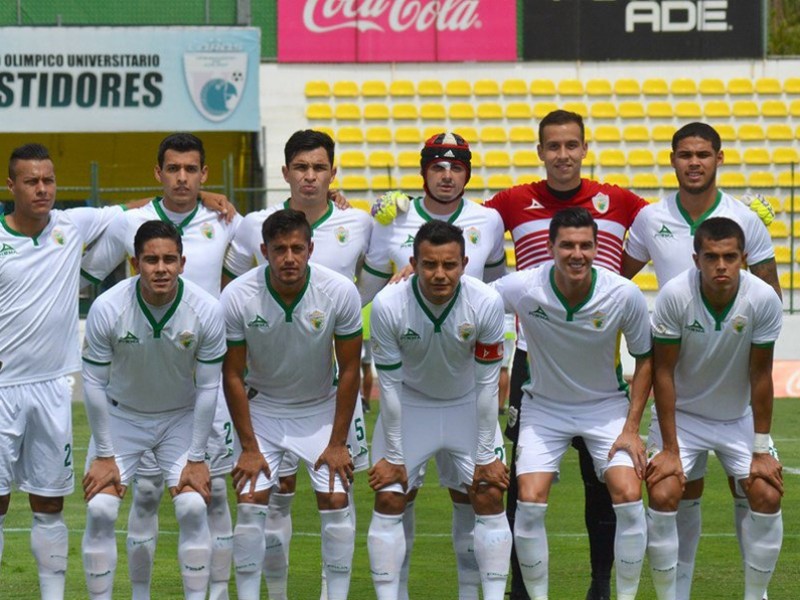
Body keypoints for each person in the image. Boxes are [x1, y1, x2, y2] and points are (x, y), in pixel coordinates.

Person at [484, 110, 649, 600]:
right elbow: (461, 228)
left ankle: (602, 583)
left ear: (583, 148)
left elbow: (670, 228)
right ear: (540, 151)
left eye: (571, 145)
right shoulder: (513, 202)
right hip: (531, 356)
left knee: (605, 488)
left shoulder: (617, 201)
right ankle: (522, 587)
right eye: (552, 146)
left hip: (598, 361)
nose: (562, 154)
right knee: (524, 490)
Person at [621, 122, 781, 600]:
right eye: (685, 154)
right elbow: (616, 281)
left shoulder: (745, 218)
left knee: (758, 489)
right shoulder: (651, 218)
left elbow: (768, 292)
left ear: (718, 158)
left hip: (732, 380)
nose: (694, 162)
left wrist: (736, 318)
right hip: (679, 383)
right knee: (674, 492)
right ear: (673, 160)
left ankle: (758, 594)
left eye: (703, 154)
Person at [80, 132, 241, 600]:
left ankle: (212, 594)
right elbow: (92, 375)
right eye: (173, 168)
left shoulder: (223, 221)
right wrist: (106, 451)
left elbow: (281, 238)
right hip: (127, 410)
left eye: (191, 170)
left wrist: (194, 456)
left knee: (204, 501)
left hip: (188, 403)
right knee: (107, 510)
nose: (160, 267)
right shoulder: (114, 290)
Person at [223, 129, 372, 599]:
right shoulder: (240, 290)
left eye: (298, 250)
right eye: (279, 250)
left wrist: (336, 440)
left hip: (321, 404)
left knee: (335, 499)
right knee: (252, 504)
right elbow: (231, 373)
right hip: (263, 408)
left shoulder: (340, 286)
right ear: (263, 251)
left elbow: (349, 368)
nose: (289, 258)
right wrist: (249, 446)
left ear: (311, 250)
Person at [361, 132, 508, 600]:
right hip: (413, 400)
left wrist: (487, 450)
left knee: (484, 493)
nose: (447, 175)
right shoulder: (392, 221)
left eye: (457, 166)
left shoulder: (488, 230)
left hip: (467, 397)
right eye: (438, 166)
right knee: (390, 493)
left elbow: (488, 385)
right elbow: (389, 382)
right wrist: (397, 454)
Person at [0, 143, 127, 599]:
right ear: (10, 185)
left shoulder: (72, 225)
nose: (42, 189)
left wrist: (209, 199)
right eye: (31, 181)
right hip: (0, 391)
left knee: (50, 502)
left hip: (53, 387)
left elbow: (130, 213)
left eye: (48, 180)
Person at [645, 217, 783, 600]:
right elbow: (664, 372)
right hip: (683, 418)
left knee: (768, 493)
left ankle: (756, 596)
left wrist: (760, 449)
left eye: (729, 257)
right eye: (711, 257)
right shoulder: (675, 296)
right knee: (663, 492)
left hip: (736, 418)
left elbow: (761, 376)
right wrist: (670, 450)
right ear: (696, 258)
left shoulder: (763, 299)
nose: (720, 266)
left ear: (744, 257)